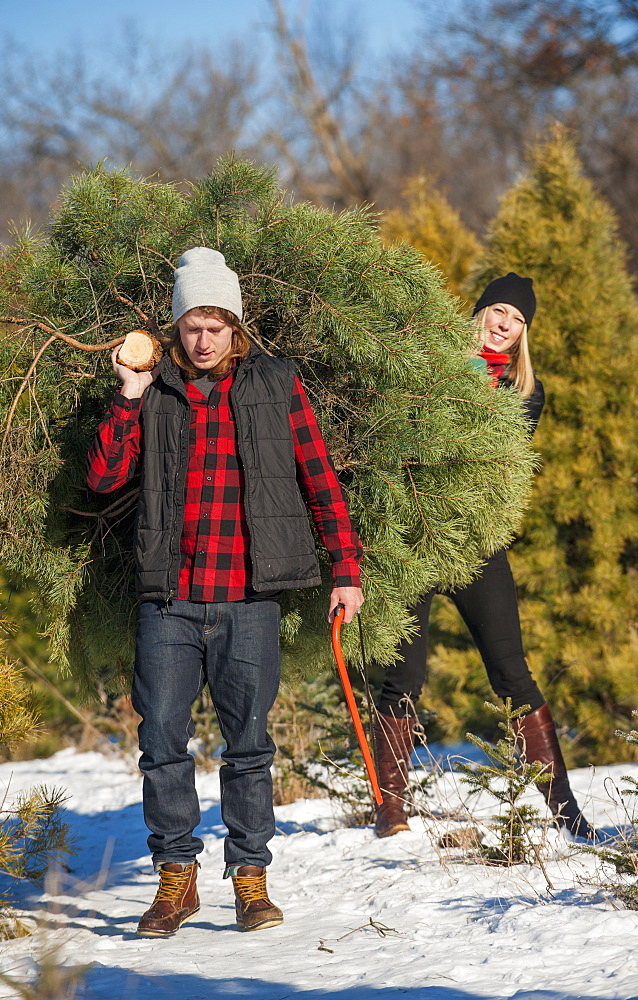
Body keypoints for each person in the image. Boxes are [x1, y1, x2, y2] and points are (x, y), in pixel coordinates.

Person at [86, 247, 364, 936]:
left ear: (235, 327)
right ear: (175, 330)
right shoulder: (154, 393)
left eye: (215, 324)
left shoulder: (277, 384)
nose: (202, 338)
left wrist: (346, 569)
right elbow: (101, 480)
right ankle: (175, 879)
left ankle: (250, 878)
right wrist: (127, 393)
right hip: (170, 599)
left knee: (249, 747)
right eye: (191, 325)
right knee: (162, 746)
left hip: (248, 600)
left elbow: (318, 479)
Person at [373, 272, 593, 840]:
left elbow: (491, 462)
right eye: (498, 310)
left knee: (512, 674)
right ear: (479, 311)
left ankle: (566, 811)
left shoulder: (525, 391)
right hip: (416, 539)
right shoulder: (429, 363)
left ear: (525, 333)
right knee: (402, 678)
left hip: (475, 545)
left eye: (518, 320)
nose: (505, 325)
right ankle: (391, 811)